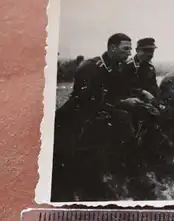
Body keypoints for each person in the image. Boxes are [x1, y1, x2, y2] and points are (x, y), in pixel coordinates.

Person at [52, 33, 137, 201]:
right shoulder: (91, 67)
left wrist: (123, 101)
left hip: (100, 110)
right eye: (125, 49)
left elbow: (115, 94)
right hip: (80, 113)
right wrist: (118, 106)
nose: (129, 53)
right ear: (112, 48)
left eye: (130, 49)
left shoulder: (115, 66)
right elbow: (86, 101)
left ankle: (120, 165)